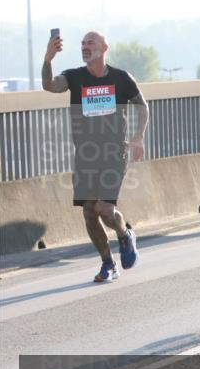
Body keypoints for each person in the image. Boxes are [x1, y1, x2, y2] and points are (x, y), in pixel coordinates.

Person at [41, 31, 148, 282]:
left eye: (90, 43)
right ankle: (108, 264)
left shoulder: (121, 78)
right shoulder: (74, 76)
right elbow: (50, 85)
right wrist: (48, 59)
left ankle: (124, 234)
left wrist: (138, 136)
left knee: (104, 209)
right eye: (82, 44)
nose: (85, 47)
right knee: (89, 212)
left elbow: (142, 105)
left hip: (114, 153)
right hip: (86, 156)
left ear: (104, 47)